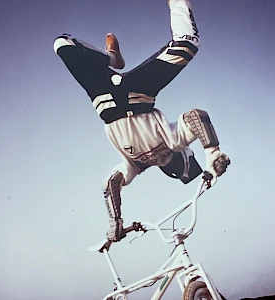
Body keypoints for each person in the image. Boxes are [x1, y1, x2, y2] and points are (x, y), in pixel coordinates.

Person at [53, 0, 230, 243]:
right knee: (186, 43)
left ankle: (111, 57)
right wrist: (213, 153)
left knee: (62, 43)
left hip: (103, 99)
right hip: (139, 93)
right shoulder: (174, 141)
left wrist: (115, 222)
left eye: (174, 171)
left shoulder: (135, 166)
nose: (167, 163)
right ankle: (117, 55)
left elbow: (112, 184)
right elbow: (196, 116)